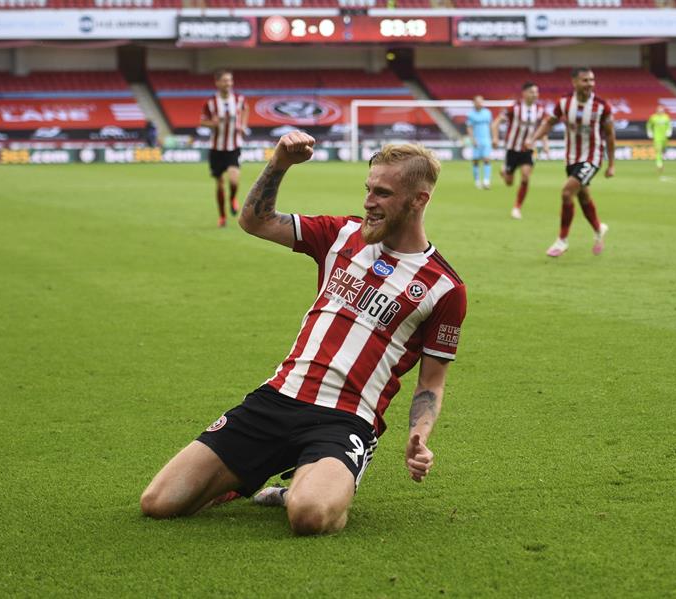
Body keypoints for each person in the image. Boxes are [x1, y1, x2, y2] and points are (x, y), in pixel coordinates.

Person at [139, 131, 468, 536]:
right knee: (158, 504)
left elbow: (432, 382)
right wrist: (279, 163)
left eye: (382, 193)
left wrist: (419, 435)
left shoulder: (444, 287)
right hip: (278, 399)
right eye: (368, 189)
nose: (368, 202)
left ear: (419, 200)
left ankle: (300, 488)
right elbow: (255, 221)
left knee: (309, 516)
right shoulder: (340, 235)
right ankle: (248, 479)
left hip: (347, 419)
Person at [525, 67, 614, 257]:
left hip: (592, 158)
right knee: (582, 197)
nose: (589, 84)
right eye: (585, 80)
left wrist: (611, 164)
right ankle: (599, 229)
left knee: (567, 192)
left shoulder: (602, 106)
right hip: (572, 158)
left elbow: (610, 135)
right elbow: (549, 122)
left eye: (591, 80)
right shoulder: (564, 103)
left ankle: (562, 240)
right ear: (574, 82)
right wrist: (533, 139)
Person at [492, 81, 549, 220]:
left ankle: (517, 208)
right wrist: (495, 138)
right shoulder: (514, 108)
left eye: (537, 92)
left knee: (525, 176)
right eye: (532, 92)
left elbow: (543, 129)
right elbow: (496, 123)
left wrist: (545, 144)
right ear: (524, 94)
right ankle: (504, 171)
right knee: (509, 182)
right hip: (512, 149)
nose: (535, 95)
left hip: (528, 149)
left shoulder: (540, 109)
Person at [201, 69, 248, 228]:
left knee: (234, 180)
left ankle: (233, 198)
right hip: (216, 148)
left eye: (230, 80)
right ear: (217, 82)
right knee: (220, 183)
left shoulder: (239, 99)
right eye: (225, 80)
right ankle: (222, 216)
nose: (228, 83)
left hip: (234, 146)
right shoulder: (210, 102)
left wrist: (243, 125)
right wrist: (211, 123)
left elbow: (246, 109)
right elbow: (202, 122)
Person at [465, 95, 493, 190]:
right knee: (476, 161)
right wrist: (472, 139)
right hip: (476, 140)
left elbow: (490, 126)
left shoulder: (488, 113)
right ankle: (477, 181)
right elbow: (469, 127)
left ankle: (486, 181)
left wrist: (493, 138)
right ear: (474, 103)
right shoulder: (471, 114)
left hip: (486, 140)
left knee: (487, 159)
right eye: (478, 101)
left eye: (481, 101)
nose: (480, 103)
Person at [646, 105, 672, 175]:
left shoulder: (666, 117)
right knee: (658, 151)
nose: (660, 111)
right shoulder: (653, 117)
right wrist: (649, 132)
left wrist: (669, 131)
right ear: (657, 110)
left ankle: (661, 161)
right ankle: (659, 165)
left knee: (663, 151)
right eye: (659, 110)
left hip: (665, 138)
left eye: (661, 110)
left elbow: (669, 125)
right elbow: (649, 125)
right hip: (657, 137)